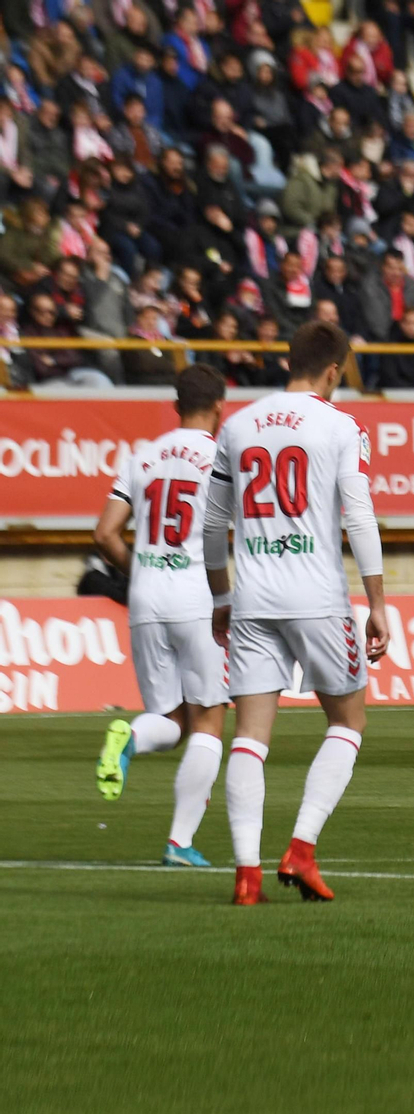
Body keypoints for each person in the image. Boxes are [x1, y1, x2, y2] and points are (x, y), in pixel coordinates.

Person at [202, 323, 390, 907]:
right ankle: (301, 850)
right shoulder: (340, 425)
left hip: (254, 600)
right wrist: (378, 602)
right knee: (348, 722)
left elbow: (211, 526)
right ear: (334, 371)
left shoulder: (236, 425)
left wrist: (221, 599)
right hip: (318, 598)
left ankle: (245, 875)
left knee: (249, 739)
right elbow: (358, 517)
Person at [91, 366, 231, 869]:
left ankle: (129, 735)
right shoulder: (220, 457)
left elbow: (105, 534)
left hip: (147, 598)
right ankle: (179, 843)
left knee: (169, 721)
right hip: (197, 599)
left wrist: (141, 570)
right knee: (209, 721)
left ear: (176, 405)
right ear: (220, 406)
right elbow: (228, 535)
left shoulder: (141, 456)